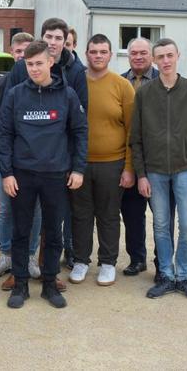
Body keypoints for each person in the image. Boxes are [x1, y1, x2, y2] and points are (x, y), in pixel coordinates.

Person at [0, 40, 88, 309]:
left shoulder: (67, 95)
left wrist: (78, 168)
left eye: (39, 63)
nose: (34, 69)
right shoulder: (15, 95)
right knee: (21, 232)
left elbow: (80, 132)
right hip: (22, 175)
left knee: (53, 233)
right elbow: (4, 135)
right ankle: (21, 285)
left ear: (51, 62)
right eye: (29, 64)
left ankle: (49, 284)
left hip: (56, 174)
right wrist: (7, 173)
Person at [130, 38, 187, 301]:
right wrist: (141, 174)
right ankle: (165, 274)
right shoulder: (144, 93)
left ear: (178, 56)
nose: (165, 61)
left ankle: (184, 276)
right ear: (154, 60)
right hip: (154, 171)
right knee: (162, 224)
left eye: (169, 55)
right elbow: (137, 137)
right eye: (160, 57)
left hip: (185, 169)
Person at [69, 34, 134, 286]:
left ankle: (107, 262)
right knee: (80, 214)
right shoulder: (76, 82)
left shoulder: (122, 86)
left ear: (110, 55)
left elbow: (132, 131)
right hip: (80, 163)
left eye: (103, 51)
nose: (98, 55)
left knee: (108, 214)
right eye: (93, 51)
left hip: (112, 162)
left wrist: (129, 167)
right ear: (86, 53)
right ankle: (81, 260)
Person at [0, 32, 43, 290]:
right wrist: (2, 153)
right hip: (6, 159)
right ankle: (7, 255)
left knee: (35, 210)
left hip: (35, 162)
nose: (22, 56)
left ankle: (30, 256)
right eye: (18, 51)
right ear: (11, 53)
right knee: (6, 210)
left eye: (26, 51)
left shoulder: (45, 88)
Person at [120, 38, 175, 279]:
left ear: (152, 56)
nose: (139, 57)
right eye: (134, 53)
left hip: (160, 161)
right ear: (128, 56)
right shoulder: (120, 82)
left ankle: (162, 262)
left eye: (144, 53)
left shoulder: (165, 81)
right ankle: (137, 259)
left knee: (163, 216)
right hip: (132, 158)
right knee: (132, 214)